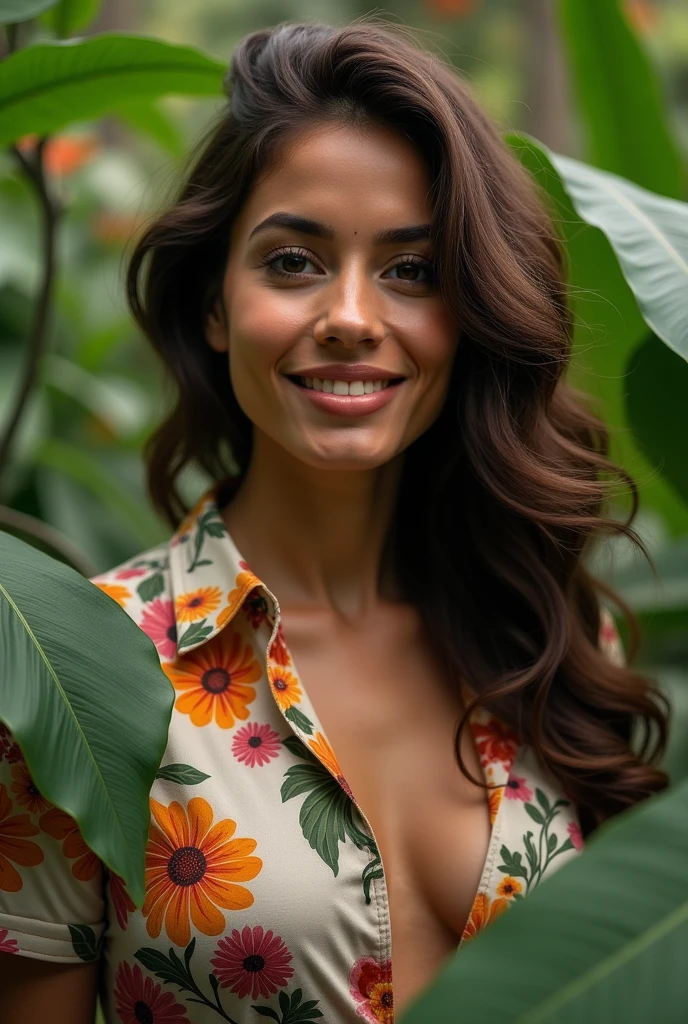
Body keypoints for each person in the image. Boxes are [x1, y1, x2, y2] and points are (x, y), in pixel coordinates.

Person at [0, 20, 668, 1024]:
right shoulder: (77, 675)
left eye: (411, 271)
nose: (352, 314)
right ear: (216, 302)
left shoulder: (555, 634)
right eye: (294, 261)